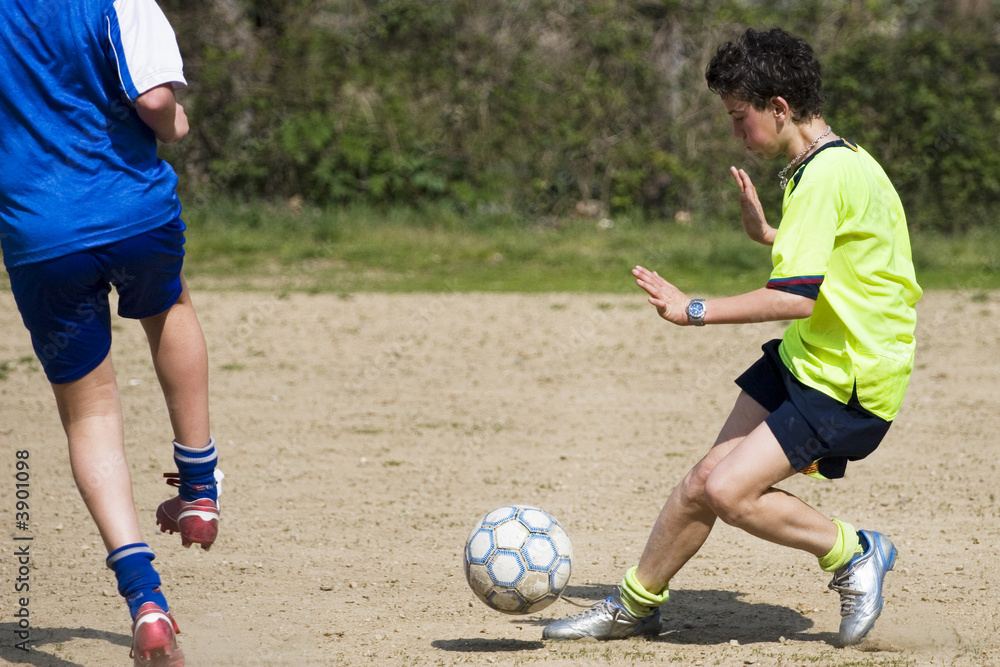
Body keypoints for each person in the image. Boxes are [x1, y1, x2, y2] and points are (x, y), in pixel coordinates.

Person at [542, 27, 921, 646]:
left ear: (779, 106)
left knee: (729, 491)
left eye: (740, 117)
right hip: (812, 358)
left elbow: (795, 297)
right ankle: (634, 606)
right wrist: (771, 235)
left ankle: (855, 552)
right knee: (703, 482)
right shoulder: (835, 161)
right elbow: (850, 256)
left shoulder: (825, 175)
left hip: (850, 379)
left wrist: (693, 309)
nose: (737, 133)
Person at [0, 2, 221, 665]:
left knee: (90, 411)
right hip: (133, 210)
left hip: (40, 230)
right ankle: (199, 490)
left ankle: (145, 599)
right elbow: (154, 100)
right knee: (170, 308)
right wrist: (175, 122)